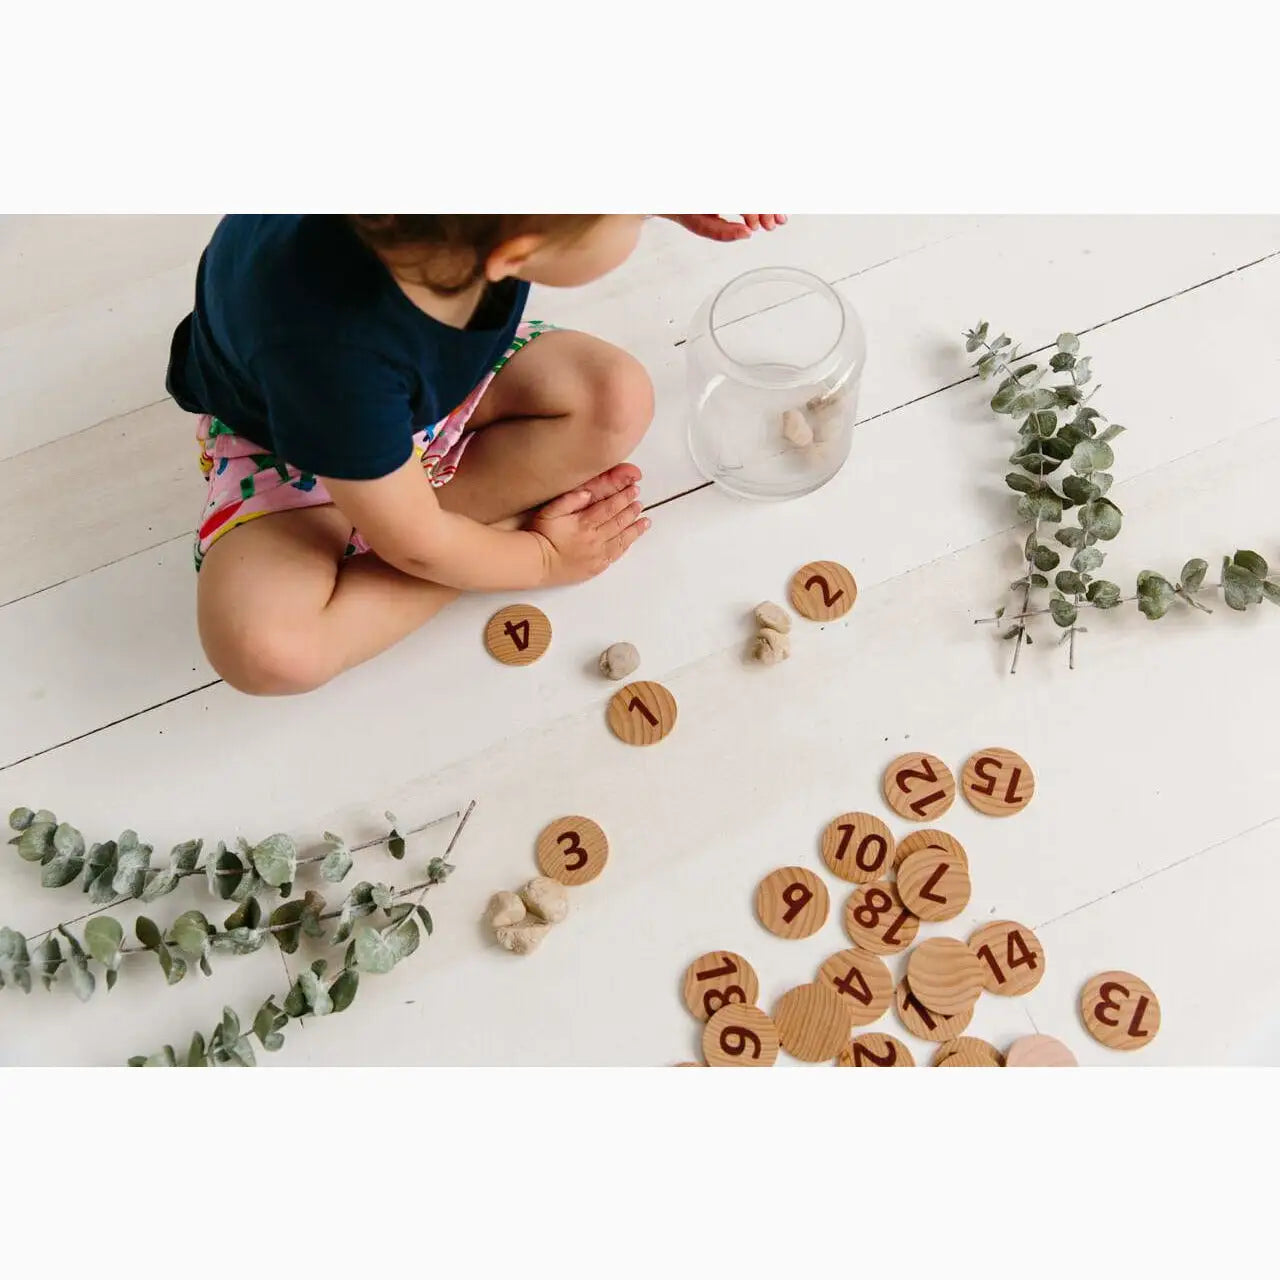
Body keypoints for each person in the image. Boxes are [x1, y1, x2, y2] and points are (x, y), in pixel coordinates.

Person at [166, 213, 787, 695]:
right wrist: (539, 558)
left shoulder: (458, 222)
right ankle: (472, 532)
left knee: (617, 398)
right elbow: (415, 543)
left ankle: (438, 525)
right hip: (292, 447)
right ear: (515, 254)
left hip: (432, 394)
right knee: (268, 652)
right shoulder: (333, 359)